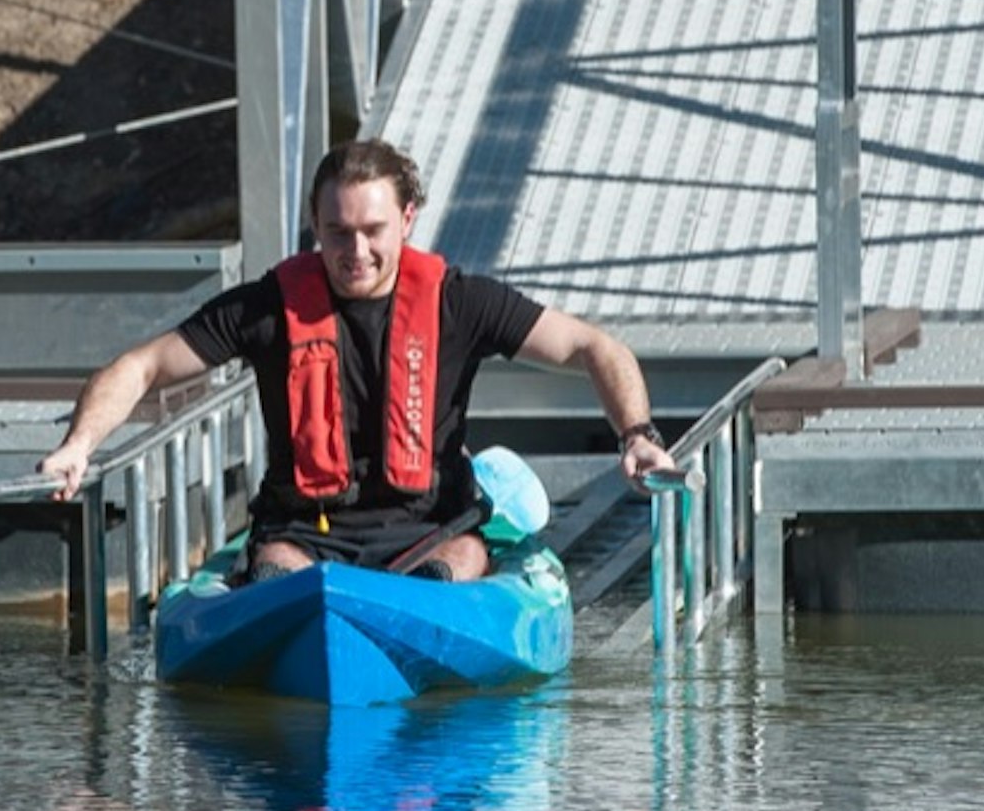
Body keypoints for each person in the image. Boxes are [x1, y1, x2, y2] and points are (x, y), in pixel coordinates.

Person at [37, 138, 679, 580]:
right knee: (279, 570)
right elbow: (141, 366)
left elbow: (596, 346)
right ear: (316, 223)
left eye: (373, 231)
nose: (356, 250)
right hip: (305, 537)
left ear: (407, 218)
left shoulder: (462, 302)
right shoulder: (267, 307)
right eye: (337, 232)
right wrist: (80, 442)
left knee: (458, 562)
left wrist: (638, 433)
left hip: (432, 528)